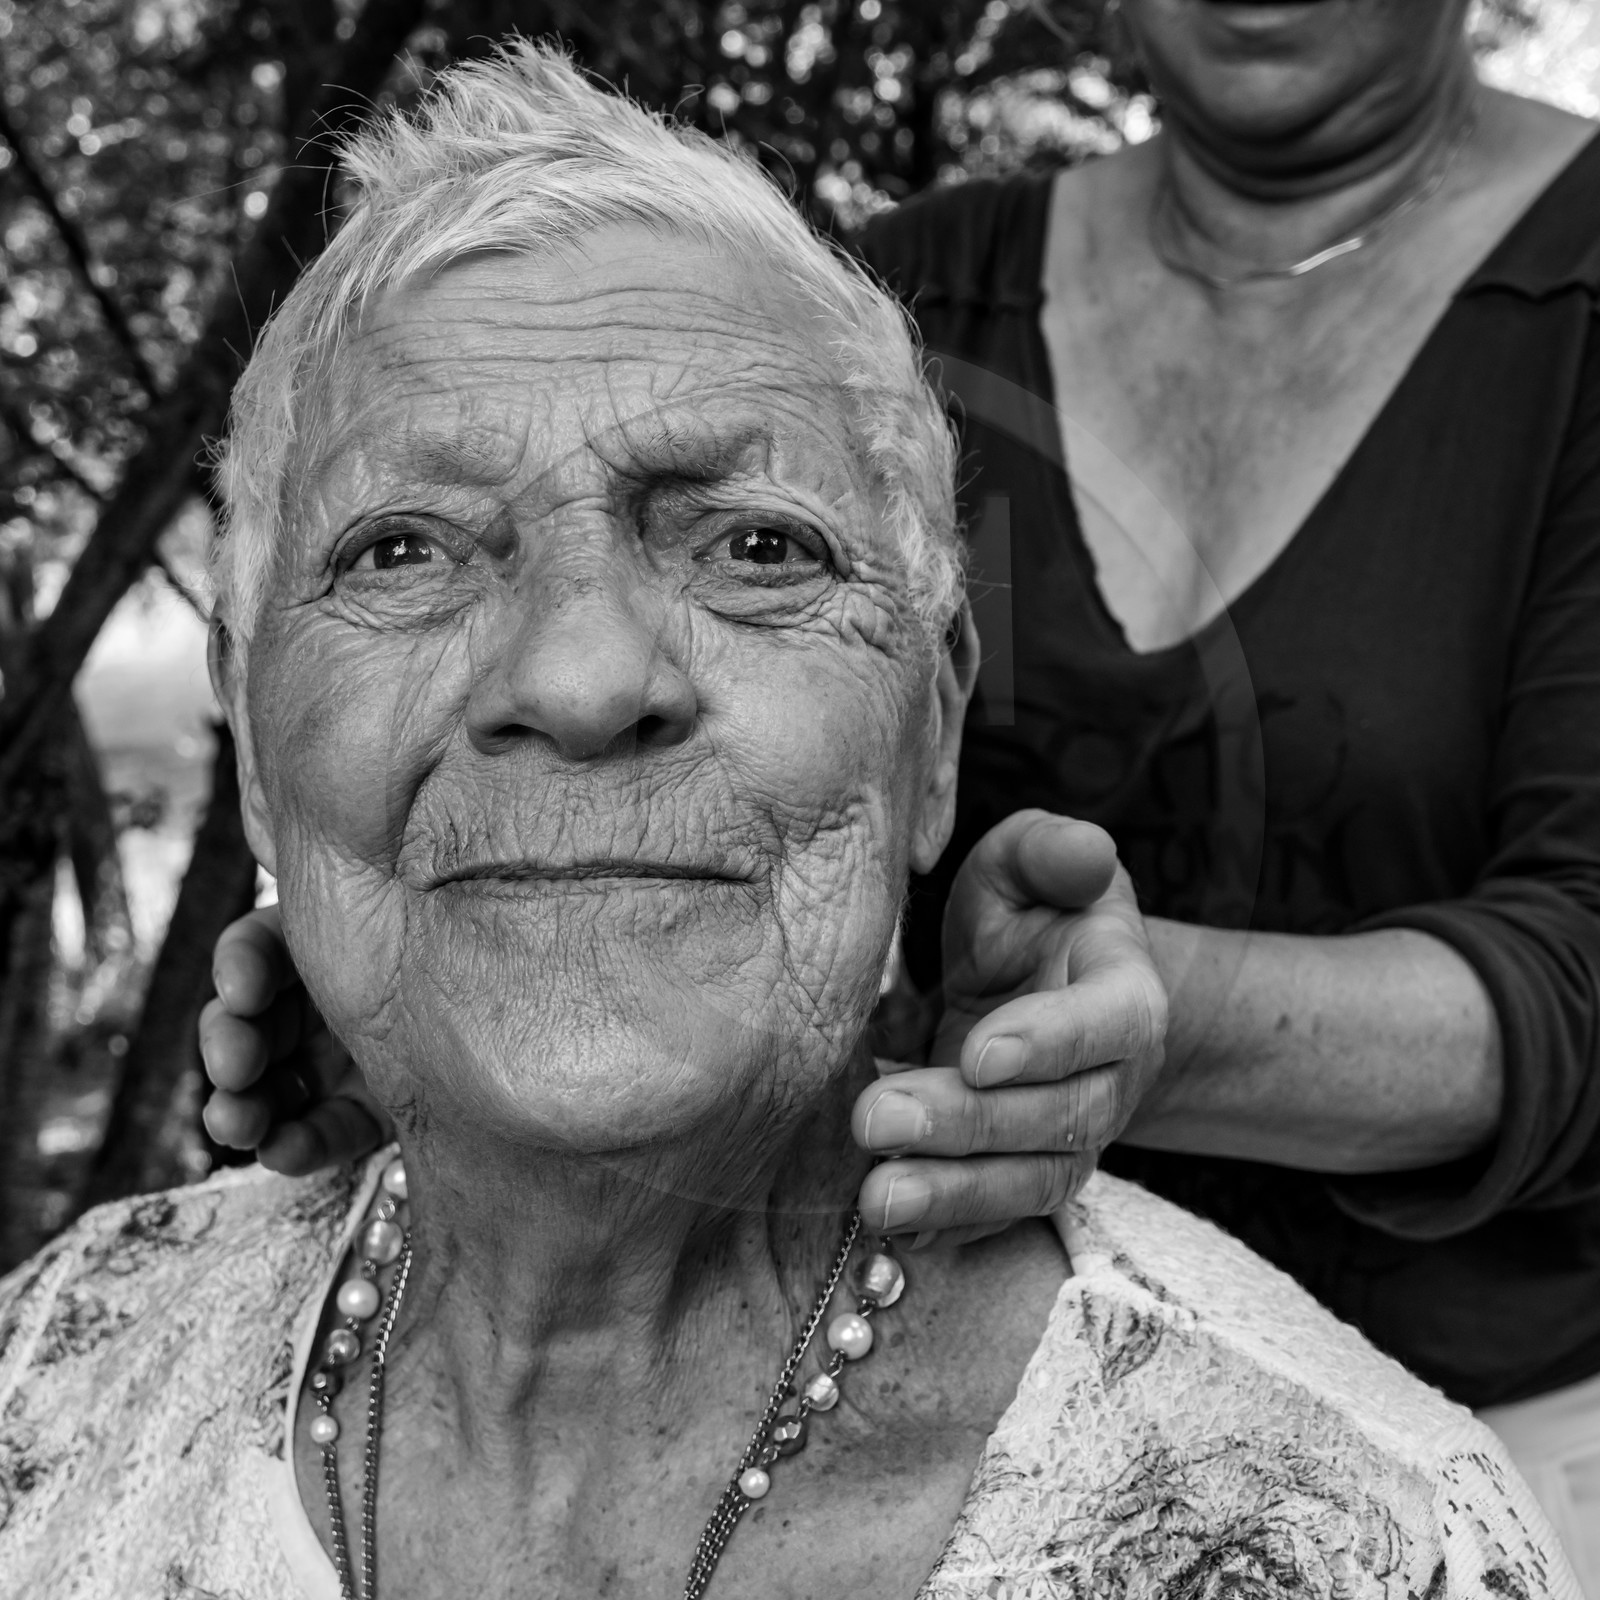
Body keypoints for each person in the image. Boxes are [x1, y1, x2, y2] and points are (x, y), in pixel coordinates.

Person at [0, 43, 1577, 1599]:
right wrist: (471, 965)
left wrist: (1039, 1031)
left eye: (755, 544)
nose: (583, 673)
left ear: (939, 720)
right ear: (255, 738)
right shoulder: (55, 1385)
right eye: (400, 551)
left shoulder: (1363, 1542)